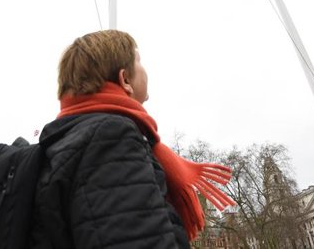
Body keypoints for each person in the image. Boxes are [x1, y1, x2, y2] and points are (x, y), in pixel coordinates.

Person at [30, 30, 234, 248]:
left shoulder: (65, 143)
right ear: (125, 79)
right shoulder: (111, 139)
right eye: (139, 61)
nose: (146, 70)